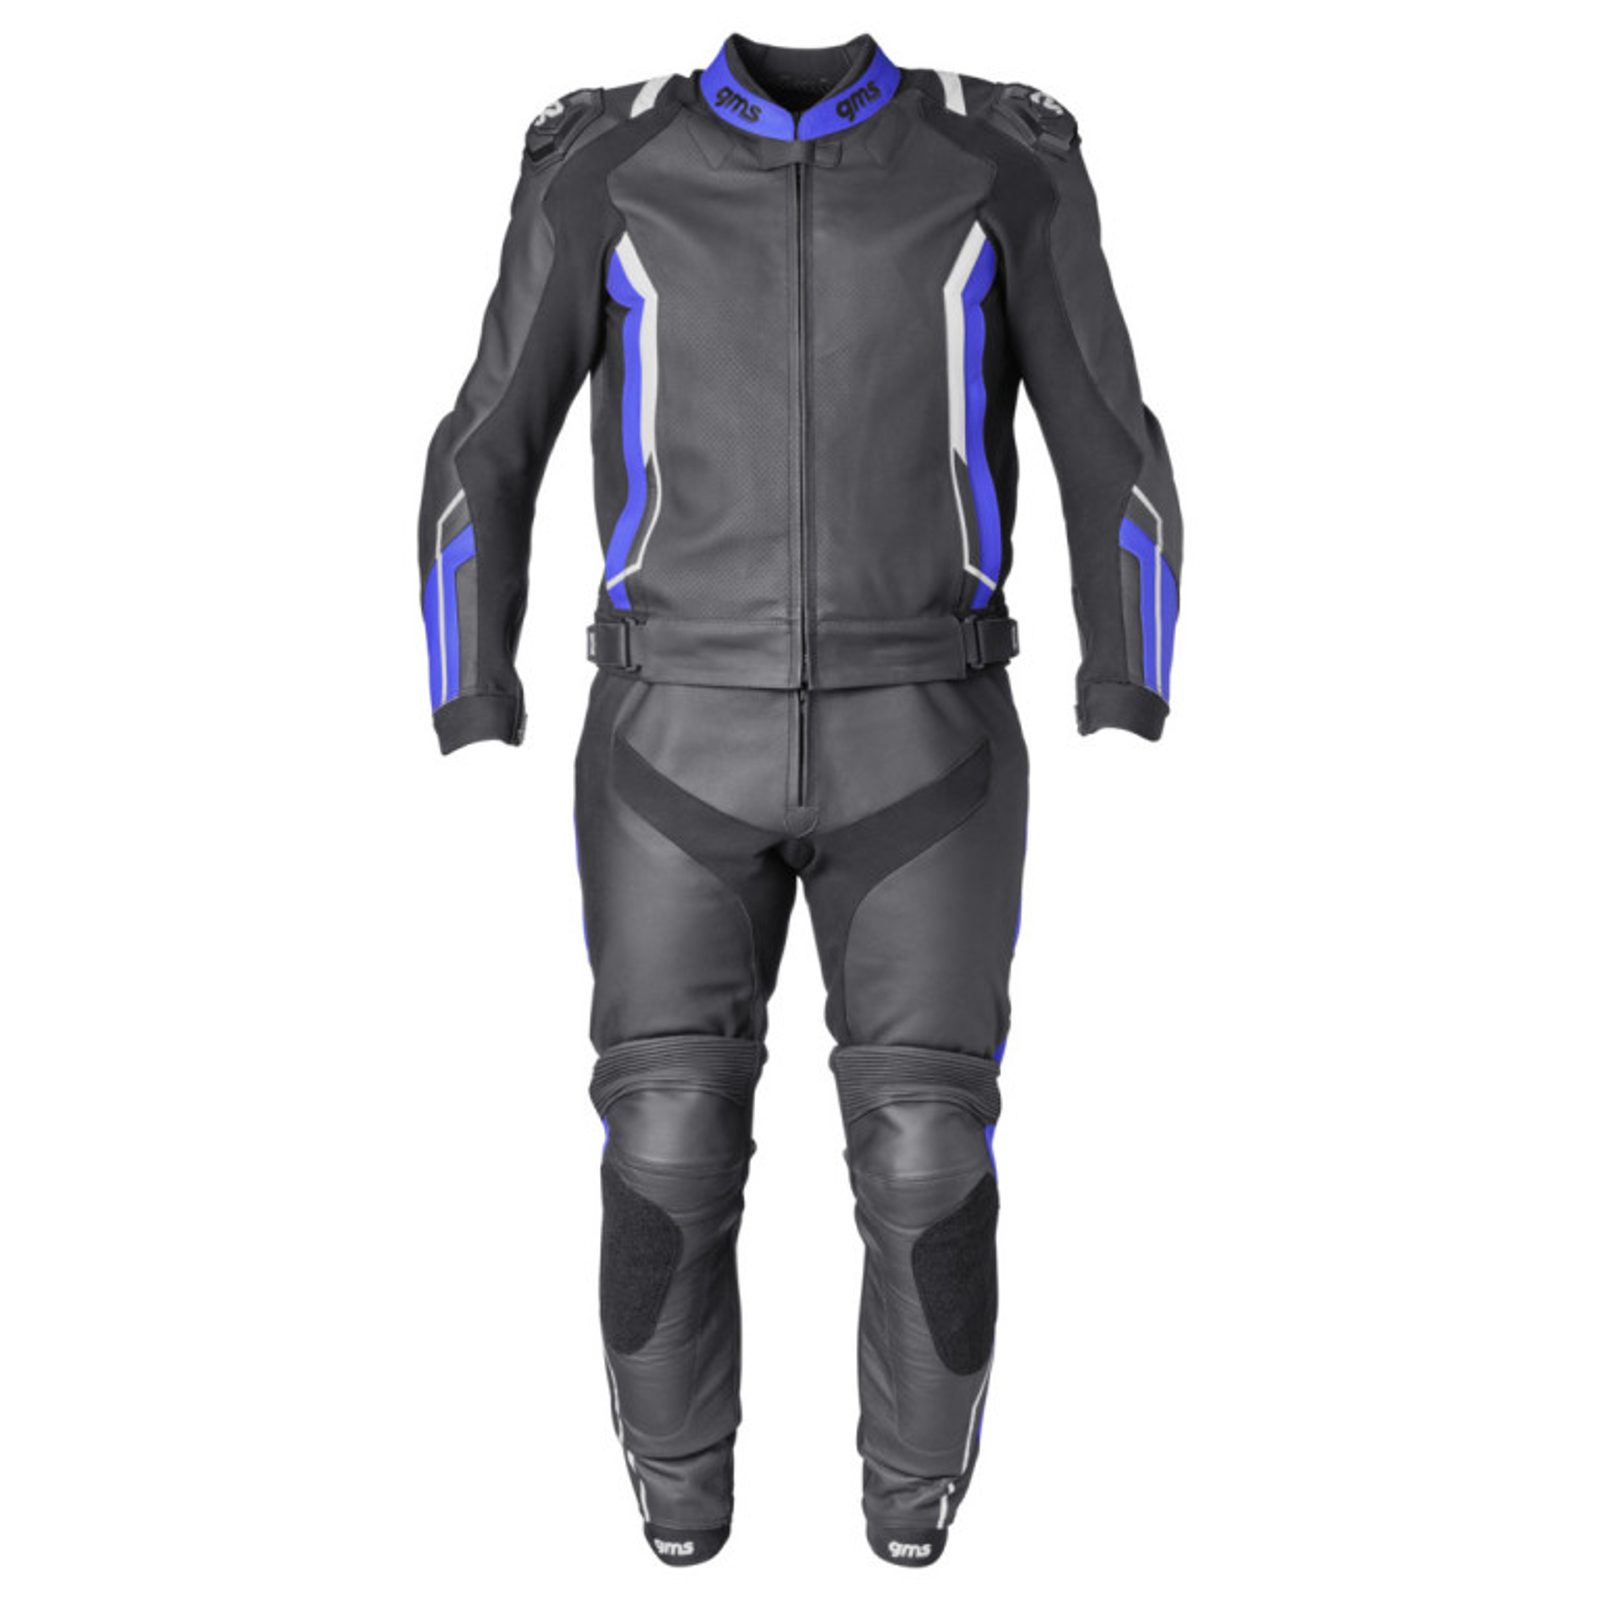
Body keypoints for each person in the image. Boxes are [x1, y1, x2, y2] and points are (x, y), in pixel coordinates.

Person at [416, 31, 1181, 1567]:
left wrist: (1128, 687)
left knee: (929, 1154)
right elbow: (485, 439)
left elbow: (1113, 438)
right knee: (665, 1140)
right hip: (668, 743)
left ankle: (911, 1513)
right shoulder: (607, 162)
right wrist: (469, 695)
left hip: (931, 740)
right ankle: (679, 1503)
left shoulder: (1000, 158)